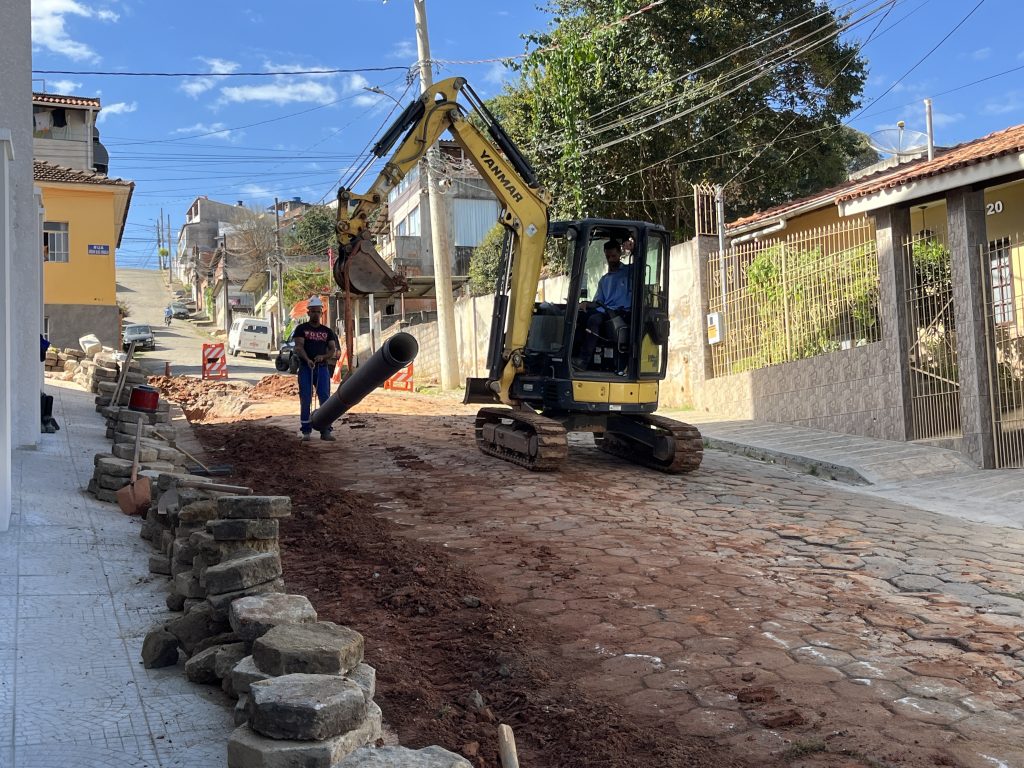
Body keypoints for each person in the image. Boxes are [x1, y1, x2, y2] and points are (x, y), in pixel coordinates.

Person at [573, 238, 633, 370]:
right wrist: (585, 304)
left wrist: (633, 248)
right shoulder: (604, 280)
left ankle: (583, 361)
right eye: (608, 256)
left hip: (622, 313)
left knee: (594, 320)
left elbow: (641, 263)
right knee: (578, 316)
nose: (611, 259)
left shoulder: (630, 272)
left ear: (620, 254)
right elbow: (598, 302)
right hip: (606, 311)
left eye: (614, 256)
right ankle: (572, 355)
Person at [292, 296, 340, 441]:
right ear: (308, 313)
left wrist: (323, 357)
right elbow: (299, 347)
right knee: (305, 398)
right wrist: (307, 360)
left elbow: (333, 350)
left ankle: (326, 430)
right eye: (312, 311)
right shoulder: (301, 329)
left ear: (321, 313)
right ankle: (306, 431)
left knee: (325, 399)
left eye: (317, 311)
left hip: (322, 368)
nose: (315, 314)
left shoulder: (327, 331)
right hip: (306, 368)